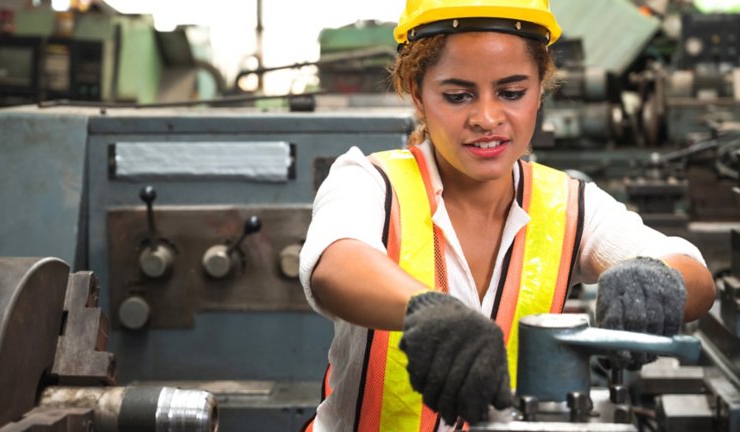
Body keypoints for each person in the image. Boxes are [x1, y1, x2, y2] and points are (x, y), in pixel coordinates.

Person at [298, 0, 717, 430]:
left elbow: (695, 275)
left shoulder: (570, 204)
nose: (487, 118)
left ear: (541, 90)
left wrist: (656, 281)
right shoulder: (369, 182)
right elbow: (335, 265)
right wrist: (425, 311)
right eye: (458, 96)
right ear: (417, 93)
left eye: (512, 93)